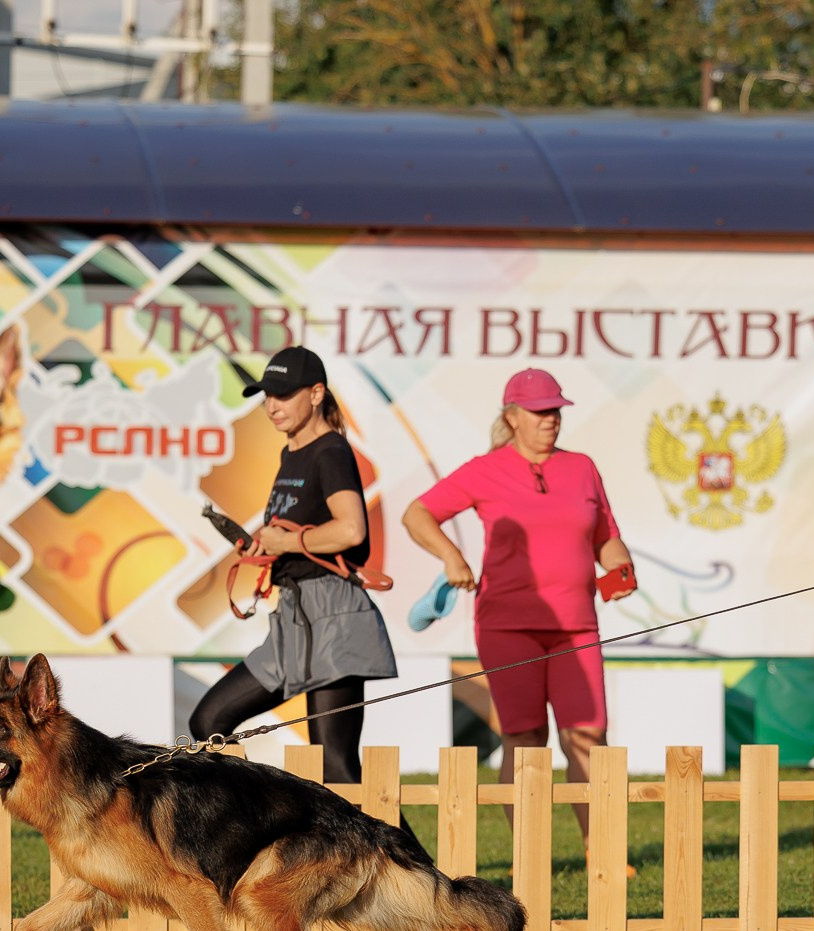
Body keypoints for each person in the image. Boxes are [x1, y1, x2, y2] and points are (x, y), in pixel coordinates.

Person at [403, 368, 635, 850]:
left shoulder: (582, 467)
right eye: (540, 411)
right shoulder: (485, 470)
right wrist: (452, 557)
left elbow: (606, 537)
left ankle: (603, 851)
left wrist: (620, 566)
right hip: (508, 626)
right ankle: (530, 853)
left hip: (577, 626)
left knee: (590, 735)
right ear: (512, 417)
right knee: (526, 738)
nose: (551, 419)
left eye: (556, 410)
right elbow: (417, 514)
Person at [190, 346, 396, 785]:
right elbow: (305, 531)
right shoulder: (291, 454)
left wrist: (288, 540)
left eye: (283, 395)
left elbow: (352, 530)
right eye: (266, 396)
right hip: (293, 620)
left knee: (338, 769)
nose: (272, 406)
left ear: (317, 393)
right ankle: (244, 829)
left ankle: (415, 858)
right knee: (209, 722)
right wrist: (267, 548)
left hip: (334, 617)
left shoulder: (331, 451)